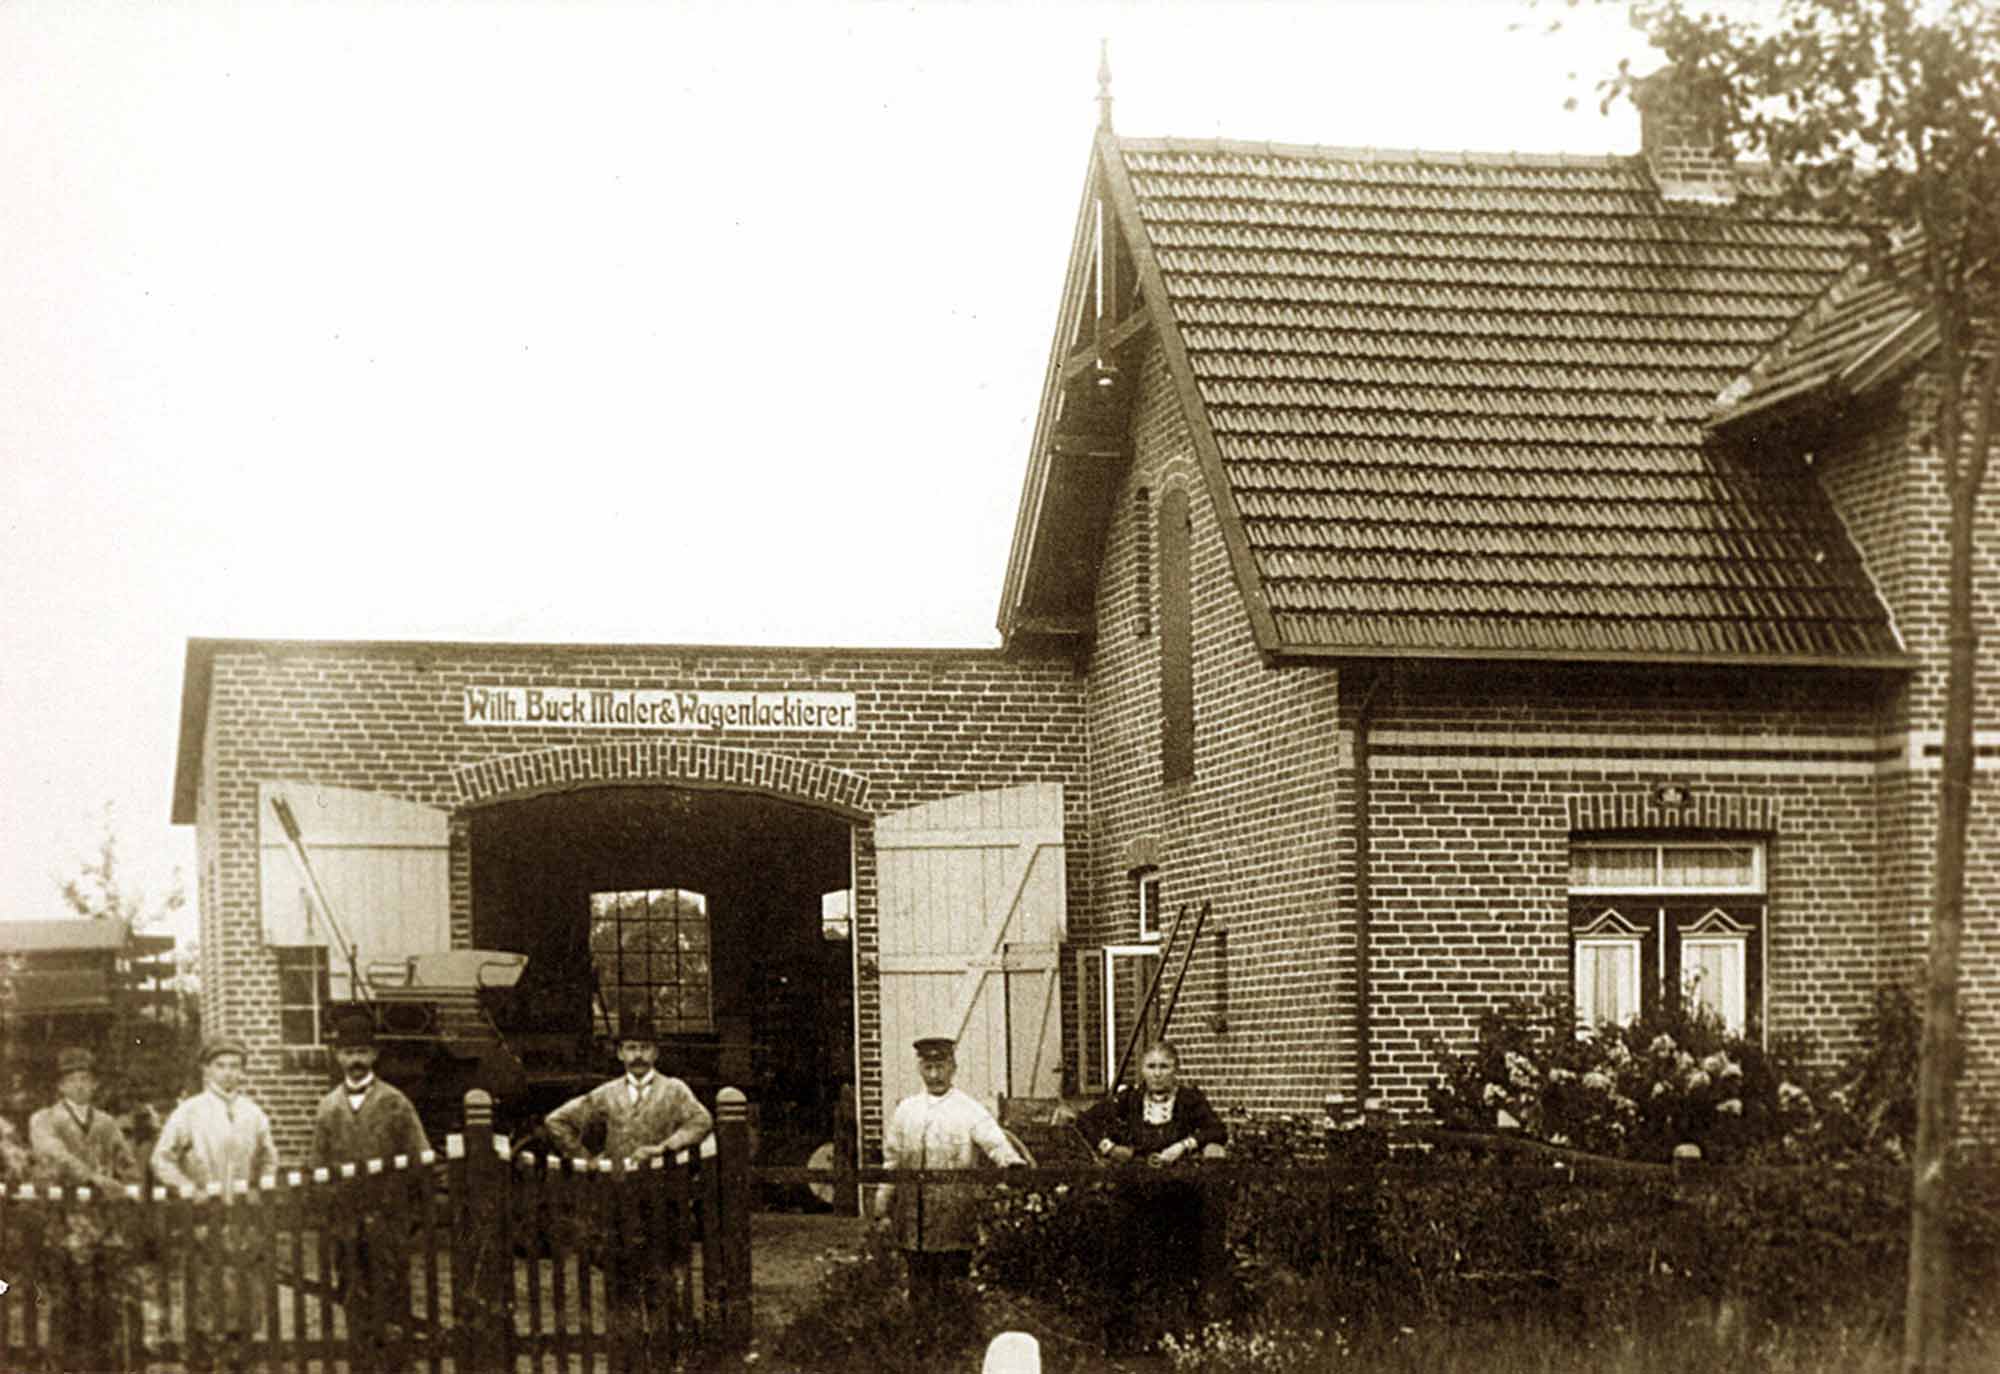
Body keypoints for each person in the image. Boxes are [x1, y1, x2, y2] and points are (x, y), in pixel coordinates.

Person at [543, 1015, 712, 1357]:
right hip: (619, 1197)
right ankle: (628, 1353)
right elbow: (557, 1121)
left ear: (656, 1053)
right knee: (621, 1276)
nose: (638, 1055)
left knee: (664, 1274)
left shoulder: (674, 1090)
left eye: (645, 1048)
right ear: (620, 1054)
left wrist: (665, 1147)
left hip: (664, 1194)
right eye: (631, 1048)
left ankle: (668, 1352)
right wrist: (587, 1161)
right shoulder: (607, 1094)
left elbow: (701, 1121)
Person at [1071, 1040, 1227, 1352]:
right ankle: (1125, 1342)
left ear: (1176, 1071)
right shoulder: (1129, 1101)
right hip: (1135, 1198)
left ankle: (1181, 1340)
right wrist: (1111, 1149)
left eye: (1164, 1066)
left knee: (1178, 1269)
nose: (1157, 1074)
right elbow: (1086, 1121)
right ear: (1143, 1071)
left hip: (1180, 1199)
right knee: (1124, 1265)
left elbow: (1216, 1130)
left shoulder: (1190, 1101)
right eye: (1151, 1067)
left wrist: (1180, 1148)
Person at [874, 1036, 1025, 1330]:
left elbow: (995, 1143)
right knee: (918, 1291)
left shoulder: (968, 1109)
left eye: (941, 1066)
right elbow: (891, 1161)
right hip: (912, 1220)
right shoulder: (906, 1110)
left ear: (952, 1067)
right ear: (920, 1068)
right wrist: (882, 1205)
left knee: (953, 1289)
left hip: (953, 1217)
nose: (935, 1075)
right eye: (929, 1067)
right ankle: (922, 1349)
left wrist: (1011, 1163)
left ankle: (954, 1348)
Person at [311, 1008, 432, 1372]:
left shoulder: (395, 1103)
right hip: (346, 1224)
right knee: (353, 1298)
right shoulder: (328, 1108)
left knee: (392, 1300)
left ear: (375, 1055)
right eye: (348, 1053)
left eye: (362, 1052)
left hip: (387, 1221)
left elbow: (422, 1160)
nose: (356, 1060)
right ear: (338, 1057)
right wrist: (329, 1212)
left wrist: (410, 1216)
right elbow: (318, 1168)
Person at [152, 1036, 279, 1373]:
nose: (228, 1074)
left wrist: (259, 1188)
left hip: (244, 1218)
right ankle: (208, 1361)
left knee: (246, 1297)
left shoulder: (253, 1114)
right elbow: (161, 1159)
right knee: (209, 1298)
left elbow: (269, 1159)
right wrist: (187, 1187)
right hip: (205, 1217)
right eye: (220, 1066)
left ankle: (241, 1361)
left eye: (235, 1066)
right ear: (206, 1070)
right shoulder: (190, 1111)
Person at [29, 1046, 141, 1369]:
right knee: (65, 1302)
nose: (79, 1086)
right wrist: (93, 1177)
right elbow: (53, 1154)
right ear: (60, 1086)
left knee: (105, 1302)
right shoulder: (44, 1120)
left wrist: (124, 1182)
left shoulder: (106, 1123)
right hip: (62, 1224)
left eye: (85, 1080)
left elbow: (127, 1164)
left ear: (94, 1085)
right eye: (72, 1080)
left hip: (103, 1226)